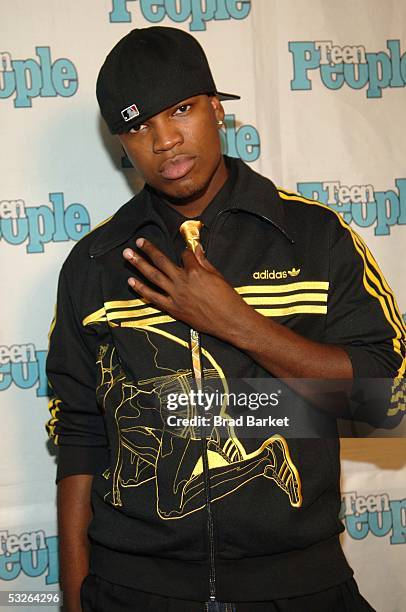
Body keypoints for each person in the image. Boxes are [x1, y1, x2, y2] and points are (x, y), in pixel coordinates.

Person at [46, 26, 405, 612]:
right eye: (138, 126)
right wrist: (74, 597)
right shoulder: (97, 262)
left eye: (180, 109)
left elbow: (388, 404)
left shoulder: (316, 238)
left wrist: (237, 323)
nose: (163, 141)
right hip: (133, 589)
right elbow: (81, 436)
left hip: (298, 587)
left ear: (217, 108)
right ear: (121, 143)